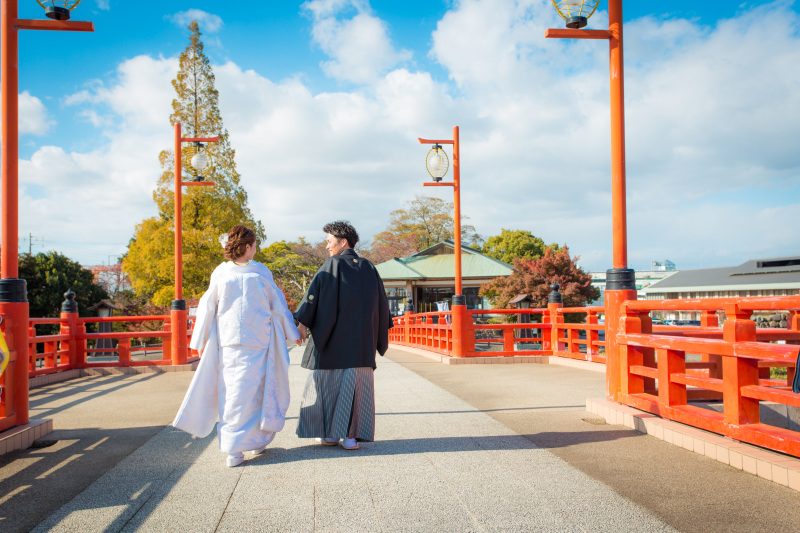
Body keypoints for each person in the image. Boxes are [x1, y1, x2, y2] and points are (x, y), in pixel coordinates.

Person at [173, 225, 301, 467]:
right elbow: (278, 306)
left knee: (232, 392)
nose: (255, 250)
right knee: (256, 392)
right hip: (258, 341)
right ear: (248, 247)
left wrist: (198, 341)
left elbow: (207, 306)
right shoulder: (261, 272)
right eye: (254, 246)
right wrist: (292, 333)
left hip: (229, 342)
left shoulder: (221, 273)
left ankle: (239, 448)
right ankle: (246, 443)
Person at [294, 220, 392, 450]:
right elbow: (382, 307)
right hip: (362, 346)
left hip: (334, 343)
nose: (327, 246)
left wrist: (301, 323)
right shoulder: (369, 267)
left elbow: (313, 297)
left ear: (343, 242)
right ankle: (351, 437)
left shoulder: (332, 265)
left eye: (329, 241)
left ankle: (330, 435)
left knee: (329, 387)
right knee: (357, 389)